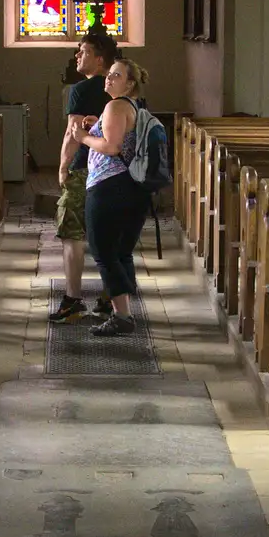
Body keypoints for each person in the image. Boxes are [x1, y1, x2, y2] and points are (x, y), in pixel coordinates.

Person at [68, 58, 153, 336]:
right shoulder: (132, 107)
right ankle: (125, 309)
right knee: (121, 251)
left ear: (130, 83)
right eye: (110, 74)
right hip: (131, 188)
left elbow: (112, 146)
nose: (109, 79)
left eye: (116, 76)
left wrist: (82, 137)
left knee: (104, 251)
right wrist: (97, 126)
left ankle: (122, 316)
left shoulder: (116, 105)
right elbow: (118, 136)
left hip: (109, 187)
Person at [50, 25, 118, 323]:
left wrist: (63, 166)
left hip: (83, 169)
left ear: (100, 60)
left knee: (72, 233)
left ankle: (73, 300)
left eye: (84, 51)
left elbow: (72, 133)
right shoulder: (121, 90)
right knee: (108, 234)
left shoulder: (82, 89)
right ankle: (109, 299)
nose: (78, 55)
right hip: (115, 172)